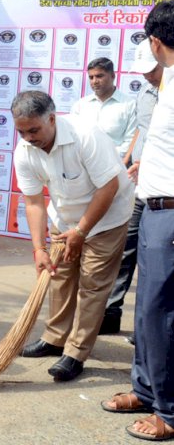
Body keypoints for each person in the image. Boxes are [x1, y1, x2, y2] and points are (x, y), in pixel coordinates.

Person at [12, 90, 133, 382]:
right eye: (22, 131)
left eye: (34, 130)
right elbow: (34, 202)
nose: (28, 137)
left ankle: (76, 352)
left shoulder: (85, 136)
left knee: (92, 284)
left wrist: (81, 231)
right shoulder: (23, 151)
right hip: (64, 217)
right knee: (60, 275)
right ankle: (54, 338)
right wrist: (39, 249)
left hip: (107, 218)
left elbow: (109, 187)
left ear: (52, 119)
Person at [101, 1, 174, 442]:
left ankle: (168, 410)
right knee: (146, 308)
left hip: (171, 212)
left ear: (155, 41)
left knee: (161, 313)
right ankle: (145, 391)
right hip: (153, 209)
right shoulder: (165, 86)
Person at [99, 39, 163, 337]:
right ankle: (111, 314)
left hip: (164, 188)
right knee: (126, 250)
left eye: (151, 69)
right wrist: (129, 161)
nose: (146, 75)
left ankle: (149, 330)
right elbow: (142, 131)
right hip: (138, 184)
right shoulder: (147, 93)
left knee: (157, 261)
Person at [70, 57, 136, 159]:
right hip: (83, 165)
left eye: (99, 76)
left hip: (116, 165)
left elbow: (131, 141)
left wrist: (104, 158)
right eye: (91, 77)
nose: (94, 81)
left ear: (113, 76)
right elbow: (72, 137)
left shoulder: (129, 105)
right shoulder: (80, 105)